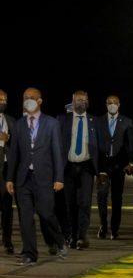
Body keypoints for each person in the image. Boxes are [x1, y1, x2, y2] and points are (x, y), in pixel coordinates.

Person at [6, 87, 67, 266]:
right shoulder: (18, 125)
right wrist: (10, 178)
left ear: (40, 101)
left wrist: (59, 178)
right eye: (25, 97)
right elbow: (14, 155)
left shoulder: (51, 123)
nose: (28, 100)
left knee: (46, 213)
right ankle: (30, 253)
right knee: (25, 218)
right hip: (23, 179)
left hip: (45, 178)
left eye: (32, 98)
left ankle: (60, 240)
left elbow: (57, 152)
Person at [58, 90, 103, 249]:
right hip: (68, 167)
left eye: (85, 99)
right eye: (78, 100)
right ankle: (71, 235)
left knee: (84, 203)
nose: (82, 102)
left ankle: (82, 237)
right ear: (73, 102)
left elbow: (100, 147)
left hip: (86, 167)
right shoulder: (62, 120)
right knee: (70, 204)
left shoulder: (94, 121)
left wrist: (101, 171)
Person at [96, 95, 133, 240]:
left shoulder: (126, 121)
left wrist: (131, 162)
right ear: (106, 105)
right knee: (102, 196)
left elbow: (130, 144)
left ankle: (114, 229)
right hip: (103, 166)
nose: (112, 105)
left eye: (114, 103)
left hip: (119, 165)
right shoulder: (98, 121)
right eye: (109, 103)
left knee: (117, 198)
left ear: (119, 105)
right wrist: (97, 167)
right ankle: (103, 226)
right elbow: (95, 144)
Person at [0, 89, 15, 254]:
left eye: (5, 99)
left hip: (6, 170)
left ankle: (7, 241)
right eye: (0, 98)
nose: (3, 101)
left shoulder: (10, 120)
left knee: (7, 207)